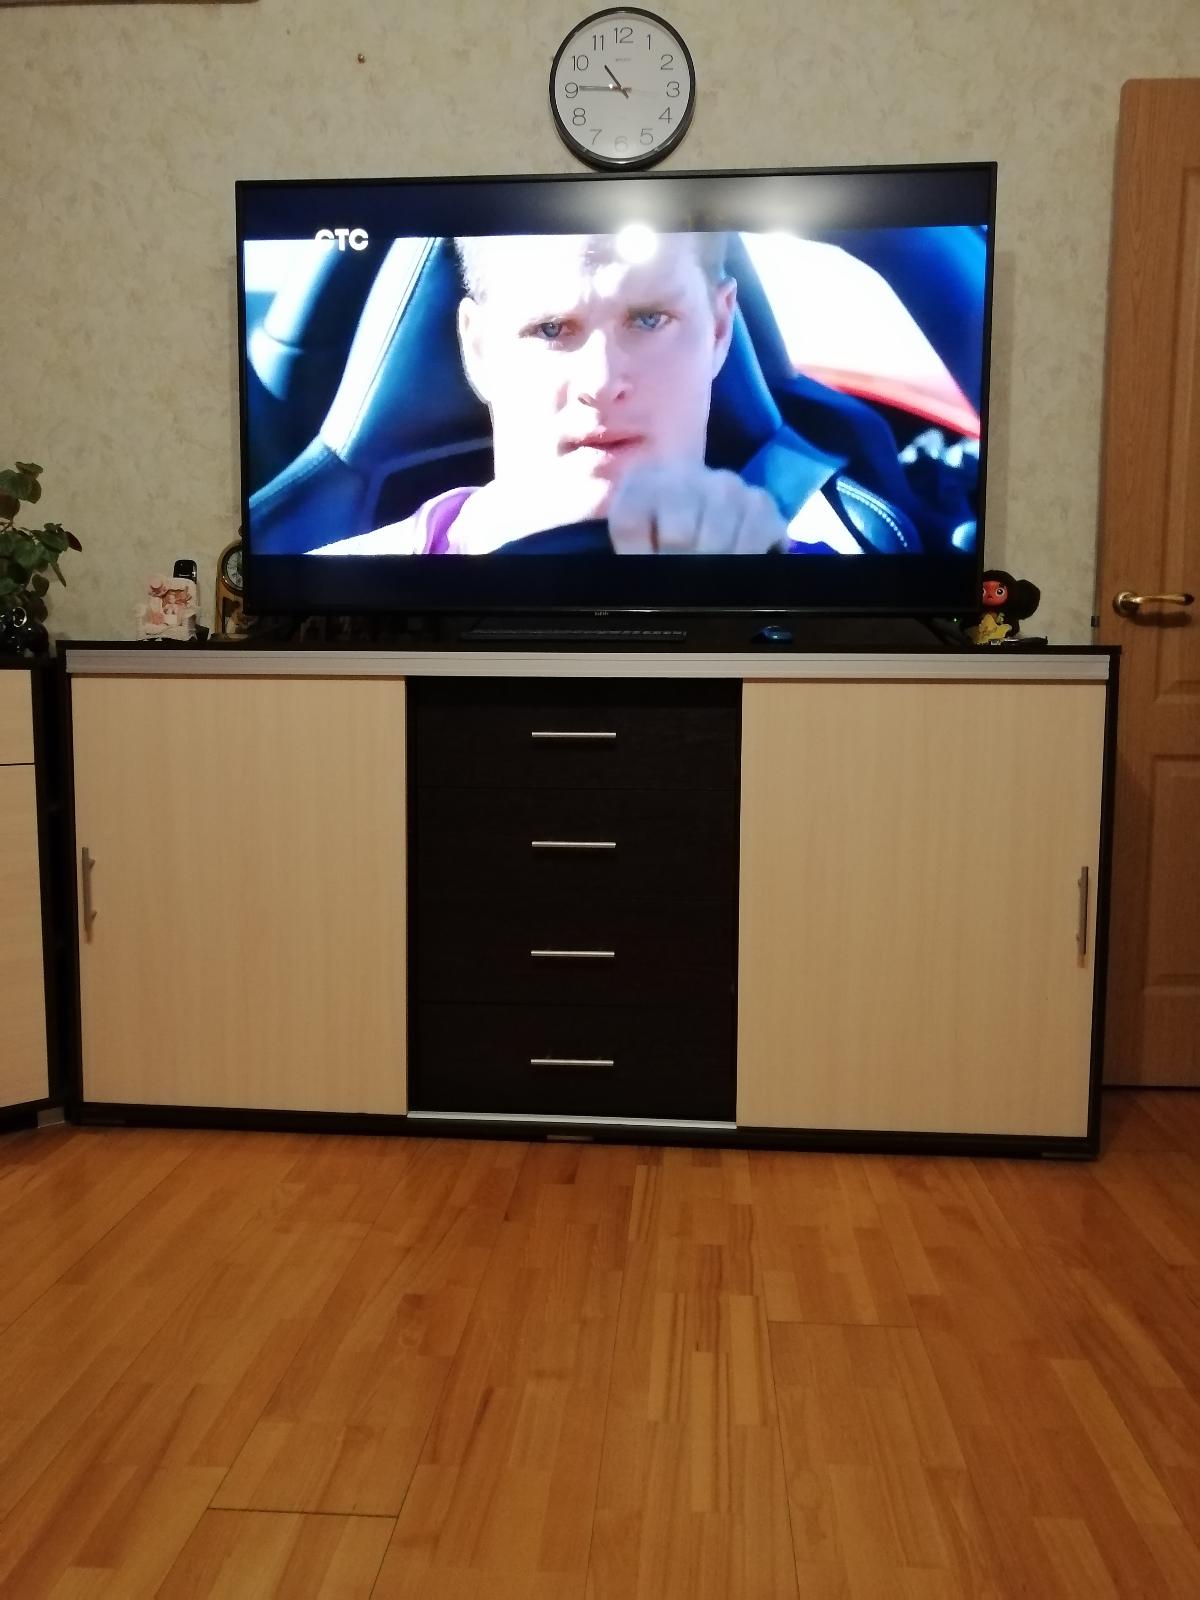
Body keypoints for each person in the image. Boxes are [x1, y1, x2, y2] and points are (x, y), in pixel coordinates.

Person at [314, 230, 868, 557]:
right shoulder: (339, 614)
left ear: (720, 330)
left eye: (649, 319)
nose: (601, 382)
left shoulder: (825, 617)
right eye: (551, 329)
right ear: (478, 348)